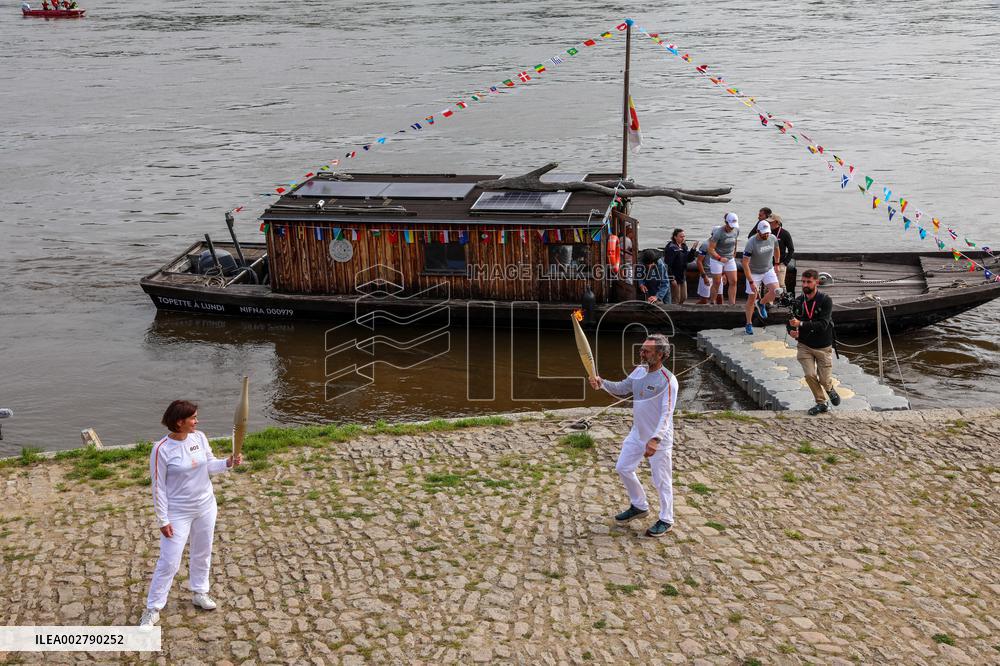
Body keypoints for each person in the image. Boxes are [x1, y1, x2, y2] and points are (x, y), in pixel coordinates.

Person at [139, 400, 243, 627]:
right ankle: (153, 607)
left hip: (206, 506)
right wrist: (162, 519)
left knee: (203, 551)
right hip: (178, 512)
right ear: (179, 422)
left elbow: (208, 465)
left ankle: (199, 592)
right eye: (193, 418)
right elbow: (158, 487)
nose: (197, 421)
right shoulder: (161, 449)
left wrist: (227, 463)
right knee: (169, 561)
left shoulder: (199, 437)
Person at [589, 334, 678, 537]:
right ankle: (639, 506)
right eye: (642, 349)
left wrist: (656, 439)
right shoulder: (639, 371)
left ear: (660, 355)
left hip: (658, 439)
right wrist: (601, 383)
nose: (641, 353)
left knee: (662, 480)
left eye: (646, 351)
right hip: (637, 434)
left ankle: (666, 519)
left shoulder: (668, 381)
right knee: (623, 468)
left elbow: (667, 414)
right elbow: (622, 387)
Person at [787, 269, 841, 415]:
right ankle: (821, 403)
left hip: (823, 346)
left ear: (816, 282)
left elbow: (823, 324)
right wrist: (791, 331)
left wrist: (801, 325)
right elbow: (791, 321)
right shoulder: (798, 301)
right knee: (810, 375)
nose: (805, 284)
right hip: (804, 345)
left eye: (808, 282)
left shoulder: (825, 300)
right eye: (803, 281)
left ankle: (829, 388)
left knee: (824, 379)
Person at [741, 220, 781, 335]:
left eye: (768, 233)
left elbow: (777, 249)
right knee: (751, 298)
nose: (766, 235)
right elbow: (744, 263)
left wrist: (777, 264)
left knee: (776, 291)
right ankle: (748, 323)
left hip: (768, 269)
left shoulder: (772, 238)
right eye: (764, 233)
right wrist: (751, 281)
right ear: (758, 231)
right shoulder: (751, 242)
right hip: (753, 272)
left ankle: (762, 303)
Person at [707, 212, 740, 305]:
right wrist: (719, 258)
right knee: (717, 282)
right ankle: (712, 302)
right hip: (716, 259)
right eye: (730, 225)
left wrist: (734, 252)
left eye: (734, 225)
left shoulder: (736, 230)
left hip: (730, 259)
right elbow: (710, 249)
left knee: (734, 281)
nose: (732, 227)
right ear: (726, 222)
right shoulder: (718, 233)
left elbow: (735, 241)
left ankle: (732, 304)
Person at [663, 228, 695, 305]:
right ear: (675, 237)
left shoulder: (684, 246)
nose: (683, 238)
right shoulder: (671, 248)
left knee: (684, 297)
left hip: (682, 275)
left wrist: (693, 249)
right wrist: (671, 278)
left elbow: (688, 259)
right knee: (676, 298)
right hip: (674, 275)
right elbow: (668, 264)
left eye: (684, 236)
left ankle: (679, 309)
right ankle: (674, 311)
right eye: (681, 236)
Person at [767, 214, 795, 291]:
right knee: (768, 285)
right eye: (768, 222)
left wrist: (785, 263)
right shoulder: (766, 232)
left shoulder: (785, 233)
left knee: (781, 284)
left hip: (780, 264)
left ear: (777, 222)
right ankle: (768, 303)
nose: (769, 224)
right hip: (768, 264)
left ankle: (783, 302)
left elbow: (791, 249)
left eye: (770, 222)